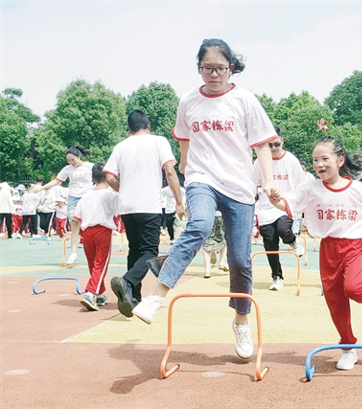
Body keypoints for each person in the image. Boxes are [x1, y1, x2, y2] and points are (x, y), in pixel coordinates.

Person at [131, 39, 279, 363]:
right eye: (207, 68)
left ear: (231, 68)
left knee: (240, 261)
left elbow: (262, 146)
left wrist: (268, 181)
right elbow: (184, 137)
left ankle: (241, 321)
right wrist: (185, 168)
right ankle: (156, 297)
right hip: (202, 179)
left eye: (220, 68)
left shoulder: (244, 100)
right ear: (198, 68)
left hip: (239, 186)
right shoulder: (188, 101)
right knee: (197, 225)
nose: (214, 74)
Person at [270, 137, 362, 371]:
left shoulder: (356, 188)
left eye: (325, 159)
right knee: (335, 302)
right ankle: (348, 348)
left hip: (352, 247)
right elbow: (290, 204)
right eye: (315, 160)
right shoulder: (311, 187)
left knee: (354, 287)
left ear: (339, 161)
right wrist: (274, 199)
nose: (319, 164)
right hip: (328, 249)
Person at [103, 110, 184, 317]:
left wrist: (124, 190)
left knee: (135, 250)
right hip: (149, 206)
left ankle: (133, 297)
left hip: (127, 207)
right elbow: (170, 171)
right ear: (148, 124)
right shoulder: (158, 141)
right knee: (149, 252)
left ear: (129, 128)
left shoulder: (120, 146)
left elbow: (110, 178)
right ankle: (128, 281)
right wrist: (179, 201)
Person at [253, 126, 306, 291]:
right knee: (270, 244)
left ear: (282, 141)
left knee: (283, 229)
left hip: (285, 206)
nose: (274, 148)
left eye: (276, 144)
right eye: (269, 145)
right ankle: (277, 277)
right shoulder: (258, 162)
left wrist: (298, 204)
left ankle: (293, 241)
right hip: (265, 209)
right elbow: (252, 183)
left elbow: (302, 184)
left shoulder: (291, 160)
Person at [36, 146, 94, 263]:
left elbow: (101, 178)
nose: (71, 163)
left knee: (90, 223)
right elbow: (57, 181)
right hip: (73, 197)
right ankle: (73, 254)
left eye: (73, 160)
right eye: (68, 160)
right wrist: (41, 188)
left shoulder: (90, 166)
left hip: (87, 196)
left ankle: (94, 250)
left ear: (79, 156)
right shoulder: (68, 169)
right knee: (74, 223)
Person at [74, 163, 119, 311]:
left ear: (92, 178)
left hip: (86, 232)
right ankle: (91, 293)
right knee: (100, 264)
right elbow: (118, 213)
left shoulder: (85, 197)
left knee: (93, 264)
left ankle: (99, 293)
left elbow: (76, 218)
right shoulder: (112, 195)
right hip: (103, 231)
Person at [200, 211, 228, 278]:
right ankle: (222, 261)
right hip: (222, 215)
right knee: (223, 237)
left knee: (207, 240)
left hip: (208, 215)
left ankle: (207, 268)